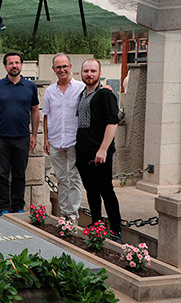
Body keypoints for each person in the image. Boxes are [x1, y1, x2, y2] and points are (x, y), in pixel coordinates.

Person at [75, 59, 122, 240]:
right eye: (86, 70)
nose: (89, 74)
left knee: (106, 189)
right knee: (91, 190)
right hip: (83, 150)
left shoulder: (105, 94)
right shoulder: (81, 94)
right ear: (81, 73)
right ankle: (96, 224)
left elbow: (113, 122)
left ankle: (116, 229)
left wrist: (103, 149)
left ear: (99, 73)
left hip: (100, 152)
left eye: (93, 71)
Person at [0, 51, 40, 215]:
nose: (14, 66)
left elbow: (35, 111)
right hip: (1, 138)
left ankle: (18, 207)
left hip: (22, 137)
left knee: (19, 174)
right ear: (5, 66)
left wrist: (34, 135)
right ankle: (3, 208)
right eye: (10, 63)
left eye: (17, 62)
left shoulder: (30, 86)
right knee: (2, 175)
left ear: (21, 65)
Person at [42, 54, 84, 221]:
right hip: (55, 140)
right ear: (54, 70)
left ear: (70, 67)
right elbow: (46, 116)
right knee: (61, 178)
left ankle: (73, 215)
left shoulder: (81, 88)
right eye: (58, 67)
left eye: (64, 66)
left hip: (75, 141)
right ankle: (65, 212)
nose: (62, 70)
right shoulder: (50, 92)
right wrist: (45, 139)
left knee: (74, 178)